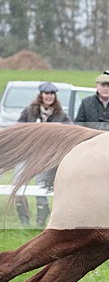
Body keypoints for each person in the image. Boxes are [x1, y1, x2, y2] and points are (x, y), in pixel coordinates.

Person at [14, 82, 71, 227]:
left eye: (52, 94)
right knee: (18, 187)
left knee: (41, 189)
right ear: (41, 95)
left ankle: (40, 222)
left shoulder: (61, 114)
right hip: (26, 155)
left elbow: (70, 131)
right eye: (46, 93)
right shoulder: (29, 111)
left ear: (55, 96)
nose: (49, 96)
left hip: (46, 158)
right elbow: (18, 128)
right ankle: (24, 221)